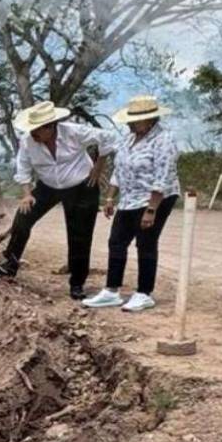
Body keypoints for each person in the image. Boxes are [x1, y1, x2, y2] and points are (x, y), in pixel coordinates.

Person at [0, 100, 118, 299]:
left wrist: (98, 165)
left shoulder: (73, 132)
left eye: (37, 130)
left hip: (81, 186)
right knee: (23, 217)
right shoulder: (28, 141)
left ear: (50, 127)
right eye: (31, 129)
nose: (33, 134)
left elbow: (108, 138)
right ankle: (10, 263)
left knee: (79, 235)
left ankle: (77, 283)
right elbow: (23, 167)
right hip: (48, 186)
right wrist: (26, 194)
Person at [83, 96, 180, 312]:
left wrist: (151, 210)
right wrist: (110, 198)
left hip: (156, 197)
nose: (129, 124)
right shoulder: (128, 140)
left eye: (134, 121)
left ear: (151, 120)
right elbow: (120, 170)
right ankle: (111, 291)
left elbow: (163, 177)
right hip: (129, 198)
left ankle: (144, 293)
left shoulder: (165, 140)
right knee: (116, 241)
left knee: (145, 243)